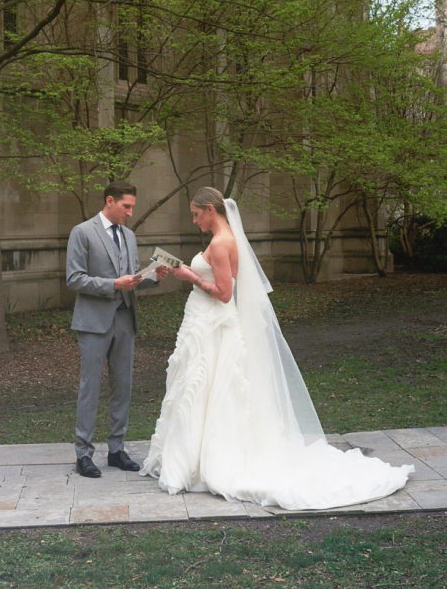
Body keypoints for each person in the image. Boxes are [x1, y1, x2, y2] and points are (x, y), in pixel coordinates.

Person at [140, 187, 414, 510]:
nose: (194, 220)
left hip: (212, 324)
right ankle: (190, 456)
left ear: (211, 209)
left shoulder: (220, 243)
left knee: (206, 385)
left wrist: (189, 276)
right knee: (197, 387)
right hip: (205, 323)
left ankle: (202, 460)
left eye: (196, 214)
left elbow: (225, 293)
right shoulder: (224, 239)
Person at [66, 180, 167, 478]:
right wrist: (112, 284)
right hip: (94, 323)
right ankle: (83, 454)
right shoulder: (82, 232)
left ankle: (116, 450)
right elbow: (74, 279)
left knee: (123, 387)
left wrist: (152, 276)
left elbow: (132, 279)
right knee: (90, 387)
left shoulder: (130, 236)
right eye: (126, 206)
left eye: (132, 207)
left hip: (125, 320)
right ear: (109, 201)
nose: (130, 212)